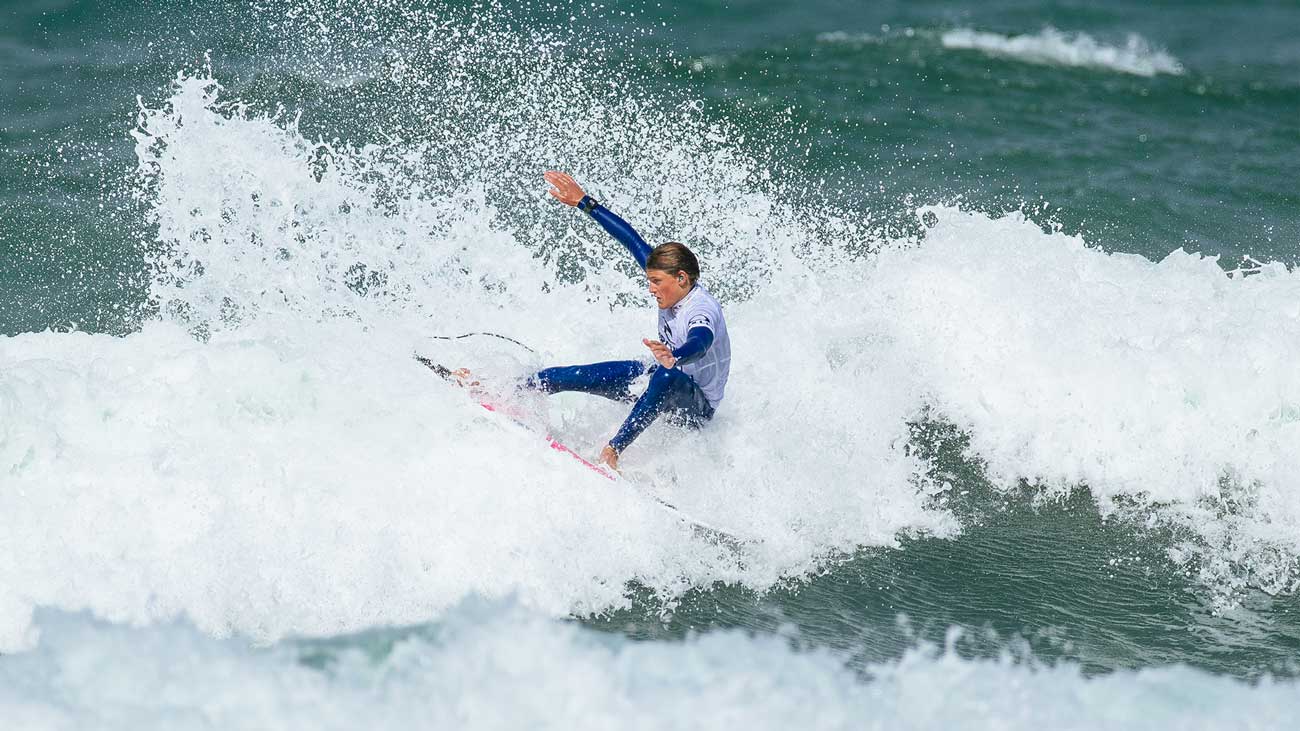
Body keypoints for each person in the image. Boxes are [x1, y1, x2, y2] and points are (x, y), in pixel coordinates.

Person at [530, 170, 731, 471]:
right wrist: (585, 203)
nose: (650, 288)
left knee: (665, 376)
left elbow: (700, 342)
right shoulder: (670, 280)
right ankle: (512, 389)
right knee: (569, 375)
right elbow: (633, 241)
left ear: (681, 278)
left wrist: (675, 355)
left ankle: (613, 451)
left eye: (655, 282)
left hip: (694, 408)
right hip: (661, 377)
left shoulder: (701, 310)